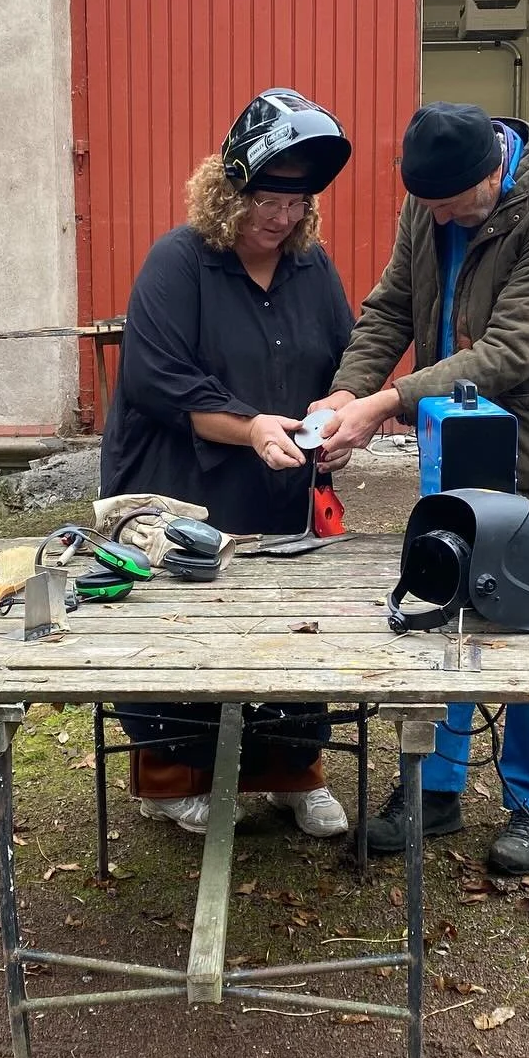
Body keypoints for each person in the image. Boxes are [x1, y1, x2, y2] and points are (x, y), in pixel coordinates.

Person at [316, 101, 529, 875]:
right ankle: (432, 788)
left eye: (452, 205)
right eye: (427, 204)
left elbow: (514, 349)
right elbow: (390, 309)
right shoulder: (430, 201)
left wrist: (389, 403)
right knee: (443, 614)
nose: (438, 216)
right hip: (453, 456)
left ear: (494, 170)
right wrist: (347, 393)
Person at [100, 88, 356, 838]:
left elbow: (343, 358)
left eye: (297, 201)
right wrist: (250, 428)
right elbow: (157, 384)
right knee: (183, 632)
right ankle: (173, 779)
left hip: (279, 484)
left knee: (292, 626)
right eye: (267, 198)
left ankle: (292, 773)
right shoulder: (178, 262)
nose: (282, 217)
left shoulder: (312, 268)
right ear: (229, 189)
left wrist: (339, 414)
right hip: (182, 486)